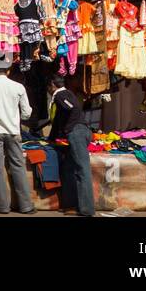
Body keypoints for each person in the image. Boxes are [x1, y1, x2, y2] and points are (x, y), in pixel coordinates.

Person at [0, 65, 35, 214]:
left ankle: (2, 205)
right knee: (18, 166)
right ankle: (26, 206)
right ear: (8, 71)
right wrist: (16, 117)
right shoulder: (19, 87)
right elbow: (26, 113)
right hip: (13, 131)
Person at [48, 73, 94, 217]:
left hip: (76, 133)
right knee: (68, 168)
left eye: (48, 87)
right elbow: (58, 121)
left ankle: (86, 209)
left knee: (82, 170)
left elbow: (72, 108)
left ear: (52, 85)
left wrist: (68, 129)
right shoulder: (65, 95)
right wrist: (51, 138)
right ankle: (71, 204)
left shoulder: (60, 95)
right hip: (77, 132)